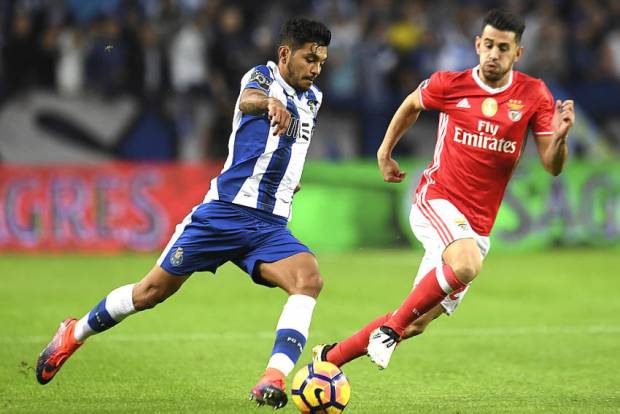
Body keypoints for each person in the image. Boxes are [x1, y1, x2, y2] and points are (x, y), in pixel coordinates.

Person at [35, 17, 331, 410]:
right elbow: (248, 101)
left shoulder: (313, 99)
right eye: (309, 58)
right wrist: (271, 102)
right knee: (149, 293)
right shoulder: (261, 78)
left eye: (321, 62)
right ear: (284, 54)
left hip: (269, 224)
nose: (315, 68)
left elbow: (290, 150)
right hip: (222, 214)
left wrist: (287, 180)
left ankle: (272, 378)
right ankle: (74, 333)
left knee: (308, 279)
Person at [313, 9, 575, 370]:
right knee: (467, 265)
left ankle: (329, 358)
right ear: (477, 45)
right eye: (488, 45)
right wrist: (384, 151)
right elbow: (411, 104)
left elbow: (552, 165)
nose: (493, 53)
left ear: (518, 53)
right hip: (437, 199)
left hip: (478, 224)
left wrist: (560, 140)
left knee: (417, 320)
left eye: (503, 47)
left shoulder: (533, 94)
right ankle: (389, 331)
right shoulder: (450, 84)